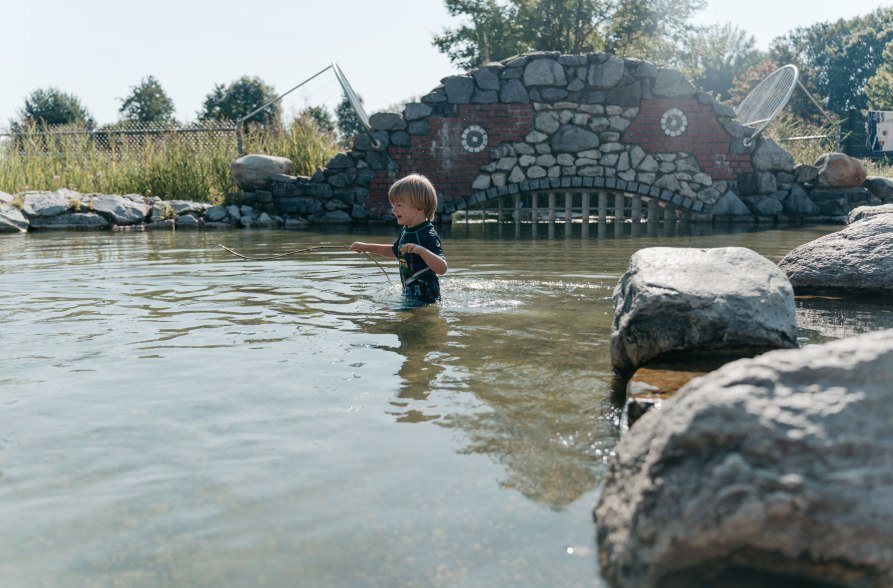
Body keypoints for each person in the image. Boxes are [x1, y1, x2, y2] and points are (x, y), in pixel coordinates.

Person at [349, 173, 447, 304]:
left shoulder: (427, 234)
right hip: (410, 297)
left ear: (419, 207)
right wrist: (366, 247)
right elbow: (394, 251)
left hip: (427, 301)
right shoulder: (406, 230)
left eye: (399, 205)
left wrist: (422, 251)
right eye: (393, 205)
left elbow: (442, 268)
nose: (394, 210)